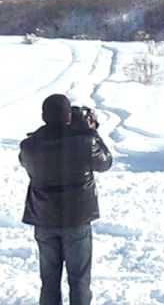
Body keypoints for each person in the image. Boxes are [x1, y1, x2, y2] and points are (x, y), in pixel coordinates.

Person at [19, 94, 112, 305]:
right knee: (79, 280)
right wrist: (91, 131)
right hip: (77, 219)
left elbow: (25, 161)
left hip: (44, 219)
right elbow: (105, 163)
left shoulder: (29, 146)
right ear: (69, 116)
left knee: (49, 281)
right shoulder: (85, 141)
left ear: (43, 116)